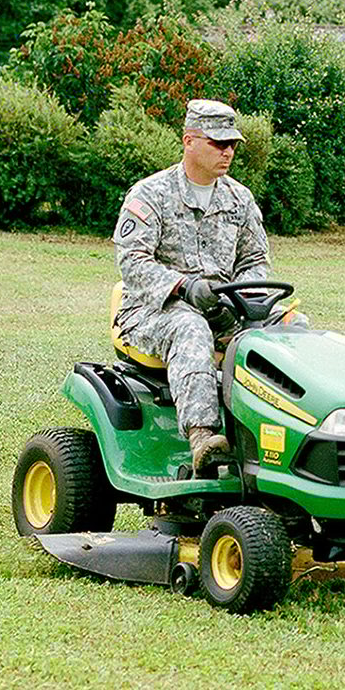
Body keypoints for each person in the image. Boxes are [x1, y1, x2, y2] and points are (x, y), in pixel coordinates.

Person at [113, 99, 268, 474]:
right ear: (189, 141)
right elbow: (132, 263)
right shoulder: (149, 195)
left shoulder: (239, 199)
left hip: (223, 307)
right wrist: (183, 286)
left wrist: (247, 297)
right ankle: (203, 437)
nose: (227, 151)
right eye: (218, 143)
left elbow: (254, 261)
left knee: (290, 330)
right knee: (190, 327)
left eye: (231, 144)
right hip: (154, 309)